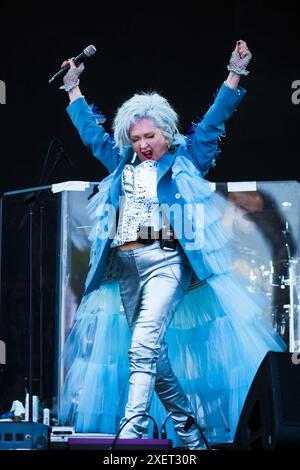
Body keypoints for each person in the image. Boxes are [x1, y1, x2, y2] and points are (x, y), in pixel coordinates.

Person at [57, 40, 285, 449]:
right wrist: (73, 88)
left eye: (150, 136)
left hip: (167, 262)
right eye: (136, 138)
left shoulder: (186, 160)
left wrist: (235, 73)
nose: (143, 144)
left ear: (166, 133)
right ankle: (187, 430)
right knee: (151, 352)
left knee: (143, 344)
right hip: (126, 264)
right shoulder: (122, 161)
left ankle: (132, 433)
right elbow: (93, 137)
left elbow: (214, 121)